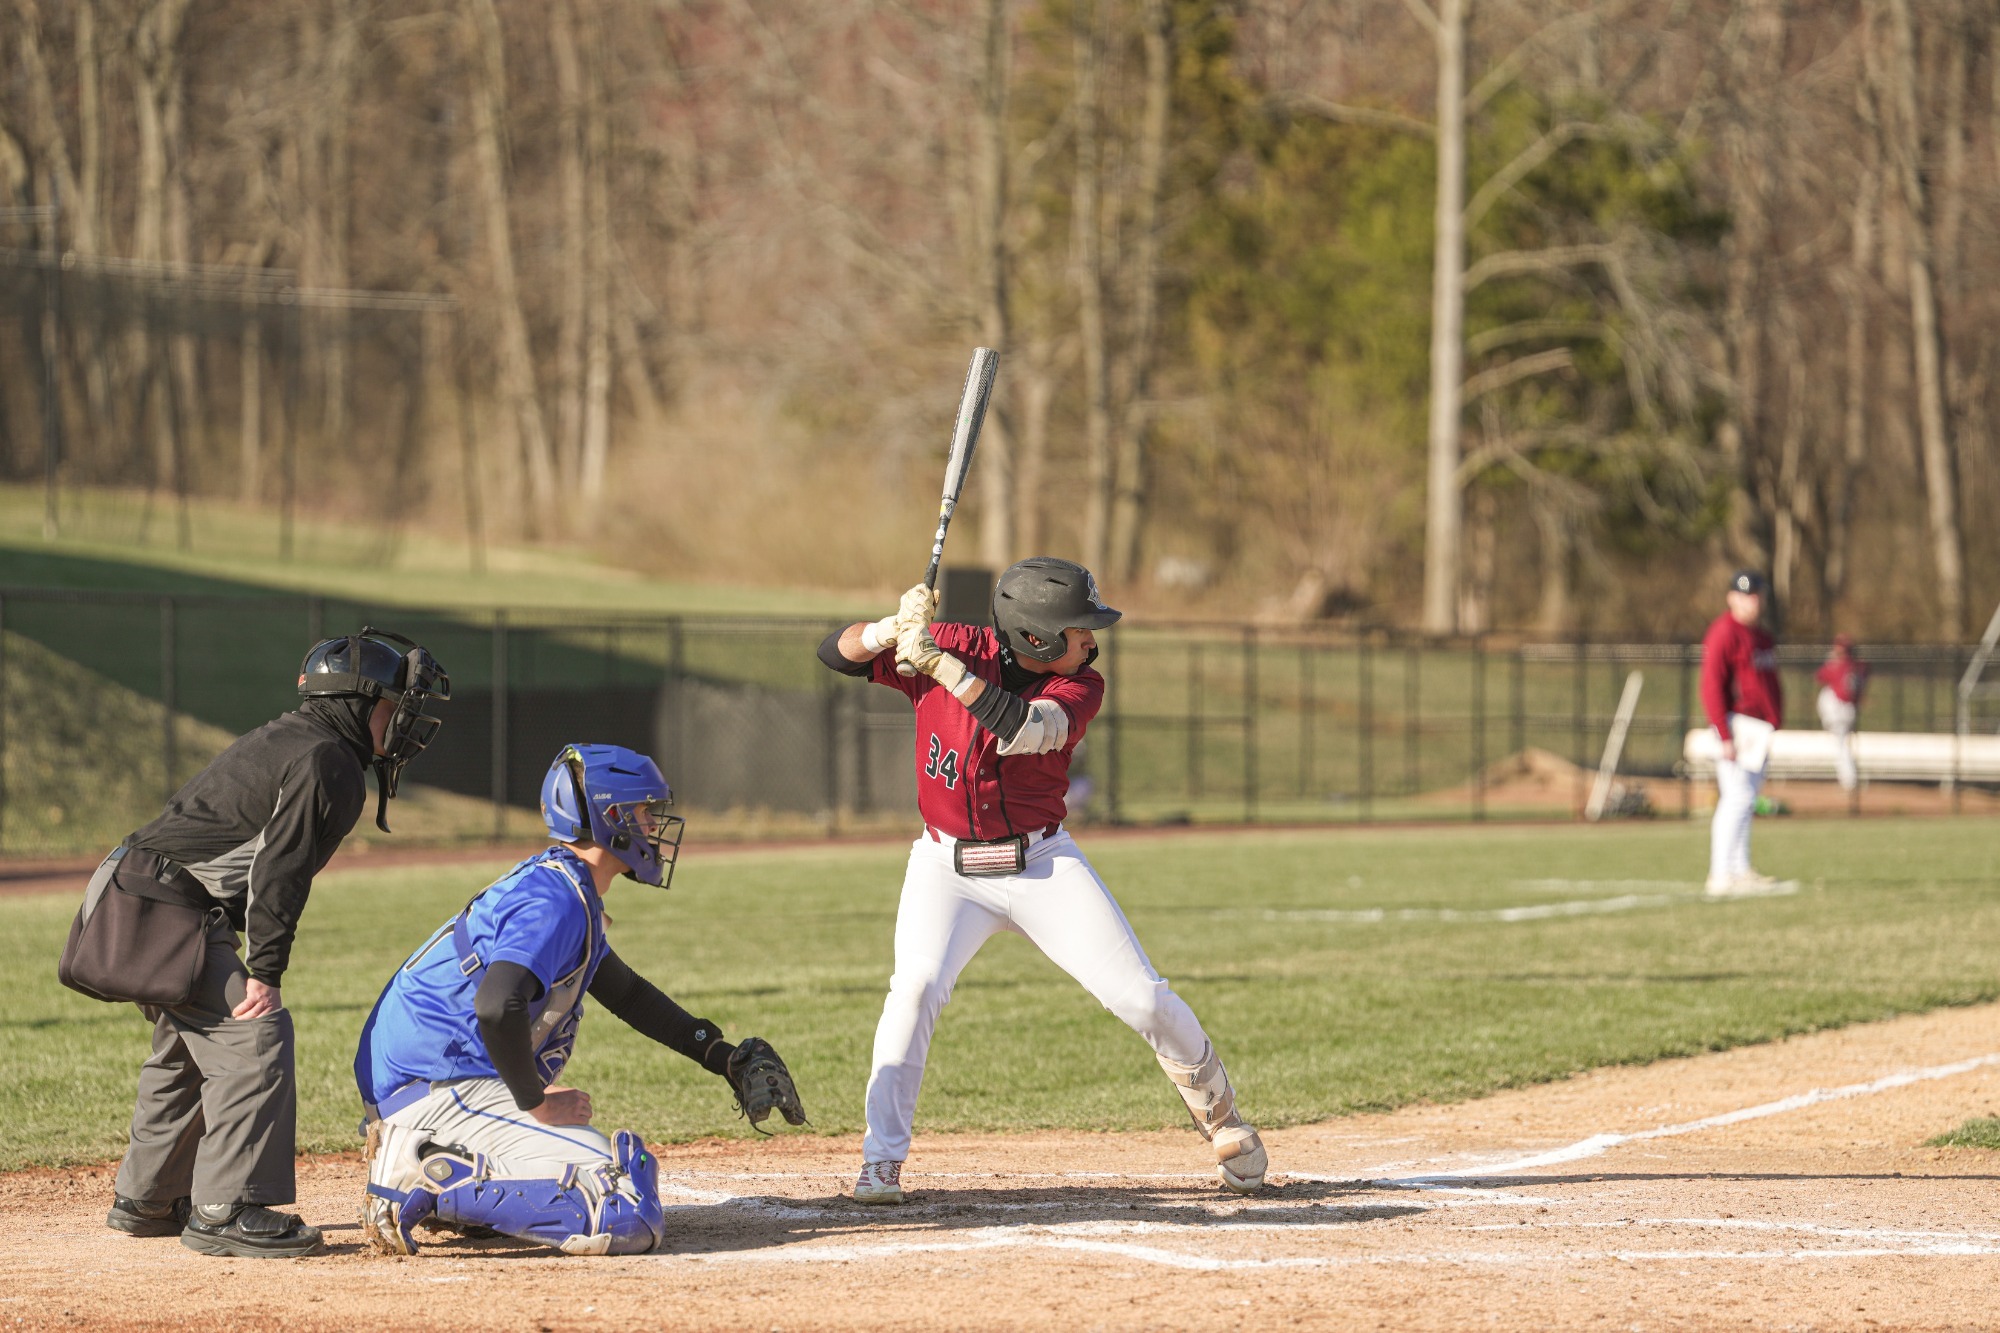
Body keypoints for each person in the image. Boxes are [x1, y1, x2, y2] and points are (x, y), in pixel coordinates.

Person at [818, 557, 1267, 1205]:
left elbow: (1026, 729)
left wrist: (941, 667)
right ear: (1037, 637)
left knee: (1140, 996)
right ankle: (881, 1160)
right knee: (912, 991)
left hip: (1043, 864)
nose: (1092, 638)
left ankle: (1223, 1118)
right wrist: (892, 628)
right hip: (945, 869)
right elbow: (834, 654)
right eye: (1080, 628)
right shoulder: (953, 644)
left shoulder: (1082, 686)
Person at [354, 743, 805, 1257]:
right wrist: (535, 1102)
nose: (654, 827)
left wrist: (719, 1055)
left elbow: (628, 994)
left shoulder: (563, 885)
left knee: (587, 1175)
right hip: (441, 1091)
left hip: (429, 1087)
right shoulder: (557, 897)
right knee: (626, 1204)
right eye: (643, 812)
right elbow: (497, 1004)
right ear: (610, 817)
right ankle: (426, 1166)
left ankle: (444, 1165)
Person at [103, 627, 450, 1258]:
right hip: (156, 905)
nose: (400, 720)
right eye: (390, 705)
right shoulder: (327, 758)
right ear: (355, 702)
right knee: (254, 1034)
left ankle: (149, 1198)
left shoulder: (302, 740)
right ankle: (225, 1209)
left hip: (138, 896)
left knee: (190, 1045)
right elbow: (278, 869)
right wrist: (265, 969)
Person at [1700, 571, 1784, 896]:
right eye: (1745, 595)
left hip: (1758, 727)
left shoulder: (1760, 636)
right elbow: (1711, 685)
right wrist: (1723, 733)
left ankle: (1739, 868)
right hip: (1737, 724)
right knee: (1736, 797)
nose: (1752, 601)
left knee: (1746, 799)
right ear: (1731, 597)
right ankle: (1720, 872)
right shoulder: (1724, 632)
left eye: (1756, 595)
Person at [1815, 634, 1869, 793]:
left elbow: (1820, 676)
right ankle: (1849, 778)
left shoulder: (1838, 665)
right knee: (1842, 743)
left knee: (1841, 745)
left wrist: (1832, 660)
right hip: (1850, 709)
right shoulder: (1861, 666)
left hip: (1838, 709)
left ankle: (1849, 779)